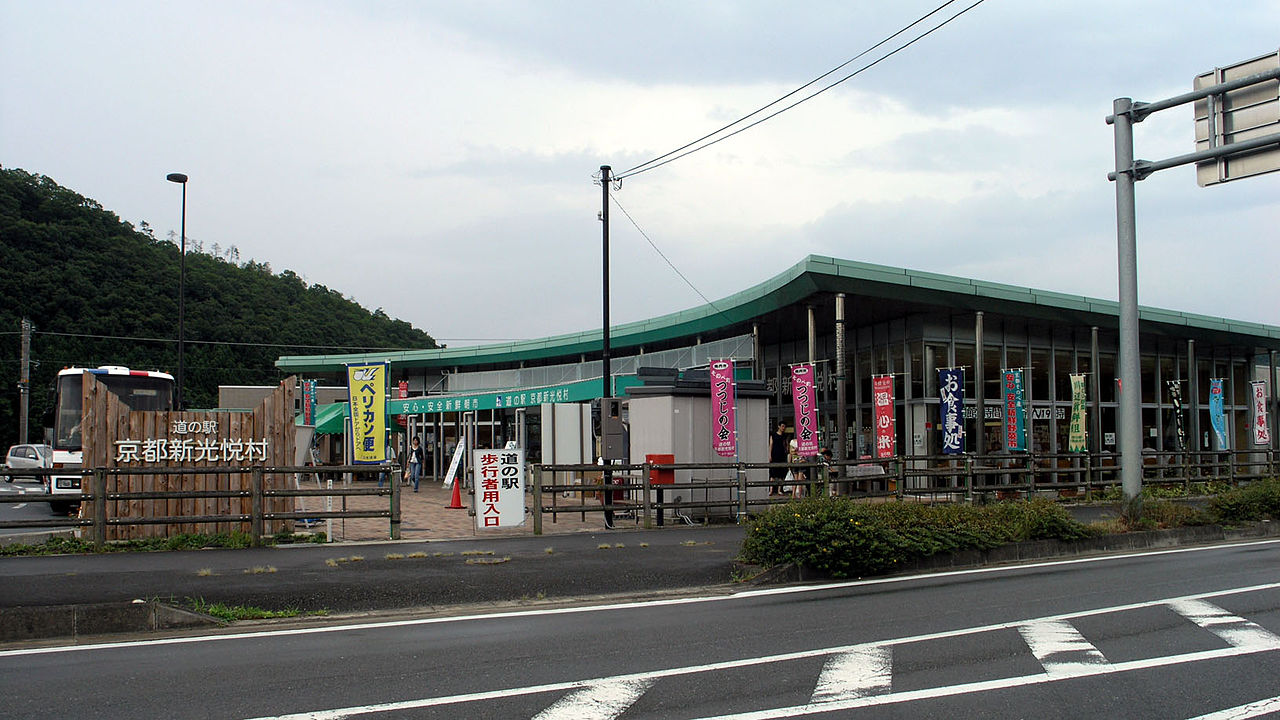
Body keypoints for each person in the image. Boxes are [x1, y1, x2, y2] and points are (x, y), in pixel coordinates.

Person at [768, 421, 788, 495]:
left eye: (784, 426)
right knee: (772, 473)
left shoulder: (784, 435)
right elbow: (771, 445)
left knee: (781, 474)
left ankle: (780, 490)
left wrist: (787, 451)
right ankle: (771, 490)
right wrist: (769, 455)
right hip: (774, 455)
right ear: (779, 426)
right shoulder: (773, 435)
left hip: (782, 455)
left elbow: (786, 445)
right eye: (782, 426)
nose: (783, 428)